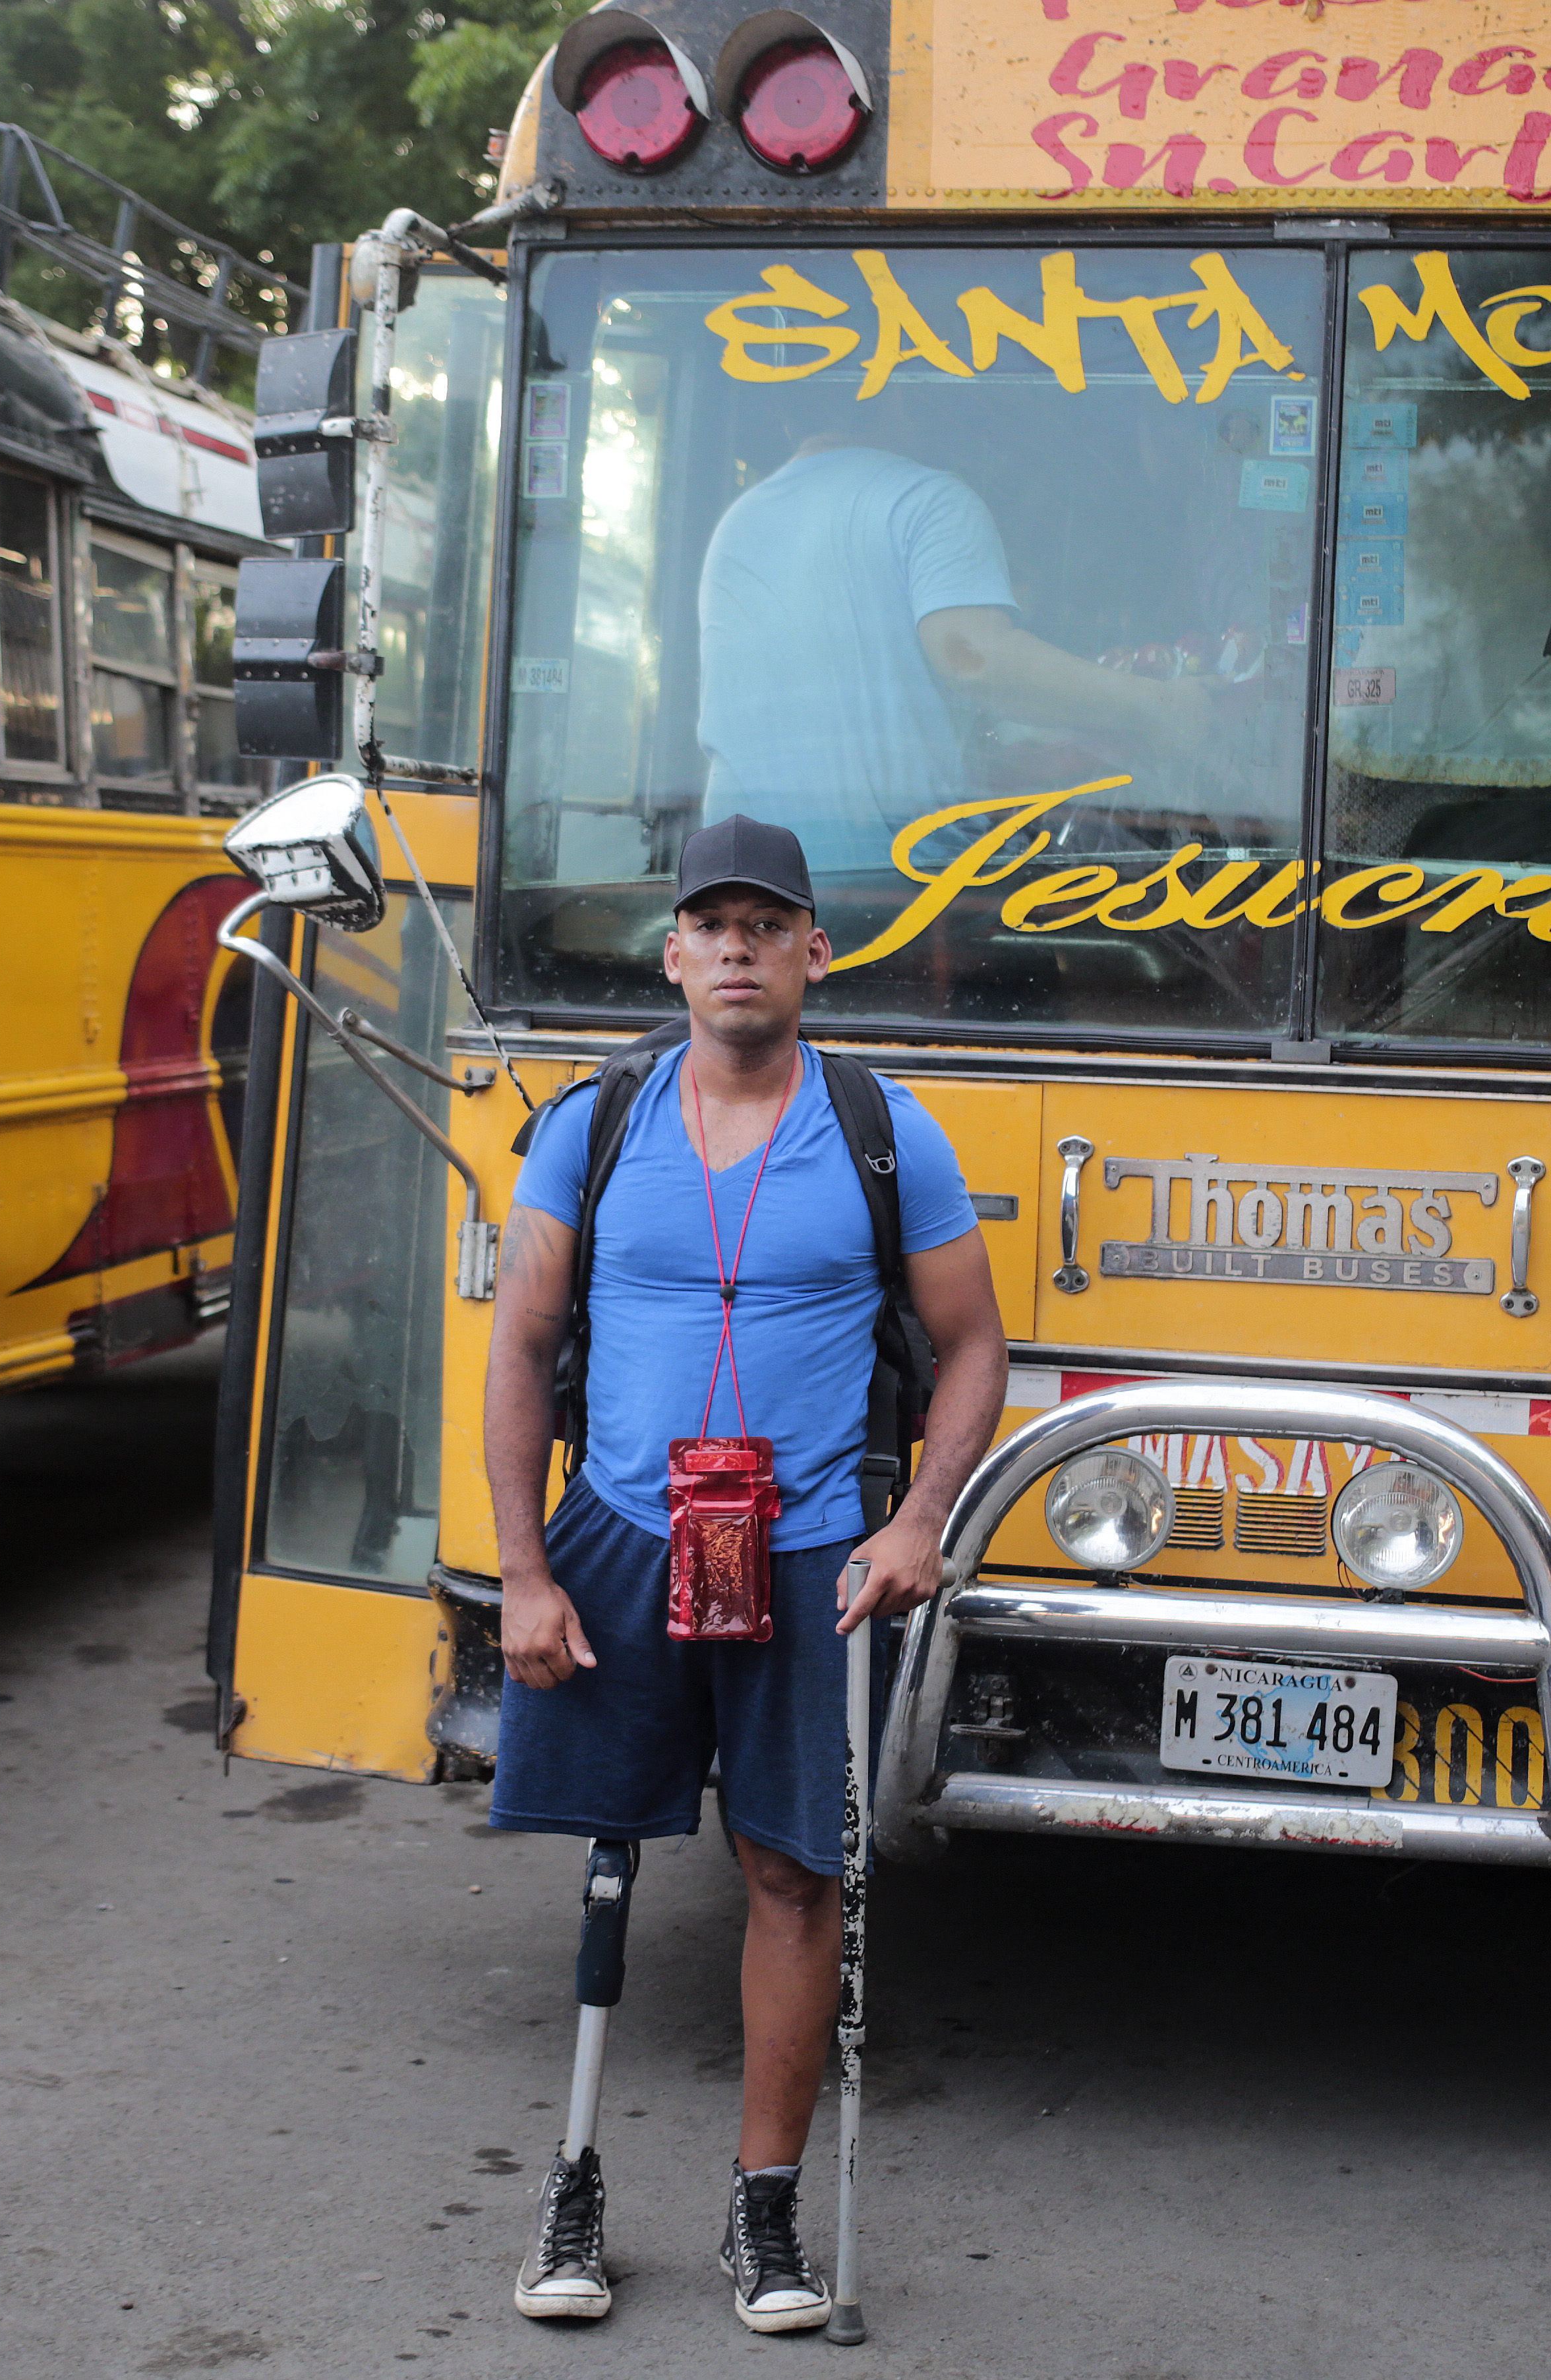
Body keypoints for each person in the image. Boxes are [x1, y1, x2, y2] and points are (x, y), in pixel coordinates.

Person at [482, 814, 1010, 2333]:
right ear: (671, 955)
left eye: (763, 925)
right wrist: (524, 1570)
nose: (734, 948)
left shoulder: (883, 1130)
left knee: (792, 1875)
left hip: (809, 1558)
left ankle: (761, 2213)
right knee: (605, 1845)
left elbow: (972, 1344)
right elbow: (518, 1349)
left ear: (810, 954)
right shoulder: (591, 1125)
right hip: (624, 1539)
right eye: (707, 926)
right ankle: (572, 2191)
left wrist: (917, 1524)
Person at [695, 429, 1210, 873]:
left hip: (737, 881)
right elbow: (977, 661)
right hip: (886, 877)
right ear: (902, 392)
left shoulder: (741, 517)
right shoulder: (924, 497)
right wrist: (1160, 708)